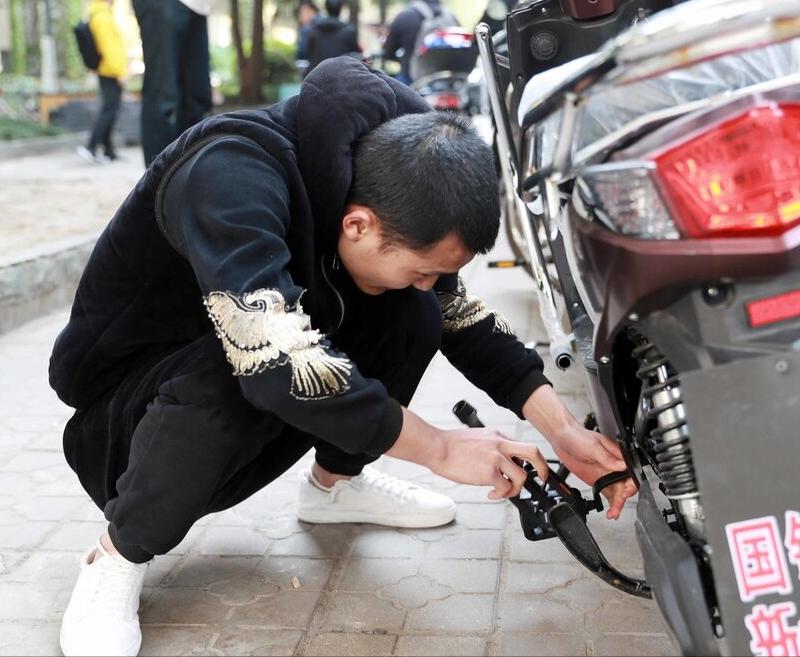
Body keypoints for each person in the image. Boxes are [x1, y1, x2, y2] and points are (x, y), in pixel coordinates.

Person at [51, 57, 637, 657]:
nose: (425, 280)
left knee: (417, 314)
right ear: (358, 225)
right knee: (253, 361)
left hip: (253, 384)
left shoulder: (391, 171)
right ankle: (114, 557)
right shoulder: (229, 175)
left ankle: (334, 487)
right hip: (125, 426)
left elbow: (455, 315)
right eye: (421, 268)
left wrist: (563, 431)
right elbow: (275, 359)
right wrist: (439, 448)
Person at [131, 0, 213, 167]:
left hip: (200, 7)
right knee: (163, 96)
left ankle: (189, 176)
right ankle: (156, 184)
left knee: (198, 96)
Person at [77, 0, 129, 165]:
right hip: (110, 71)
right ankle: (91, 147)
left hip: (106, 70)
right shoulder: (102, 17)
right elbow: (109, 48)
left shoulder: (98, 14)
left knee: (110, 110)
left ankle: (109, 151)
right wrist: (120, 72)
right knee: (108, 111)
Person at [382, 0, 455, 86]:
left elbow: (388, 53)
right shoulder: (451, 17)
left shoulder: (405, 16)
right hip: (449, 81)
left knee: (394, 88)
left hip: (414, 80)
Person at [305, 0, 361, 72]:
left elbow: (307, 54)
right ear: (341, 8)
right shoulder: (349, 31)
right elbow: (355, 56)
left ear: (326, 8)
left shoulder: (313, 30)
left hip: (317, 76)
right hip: (342, 76)